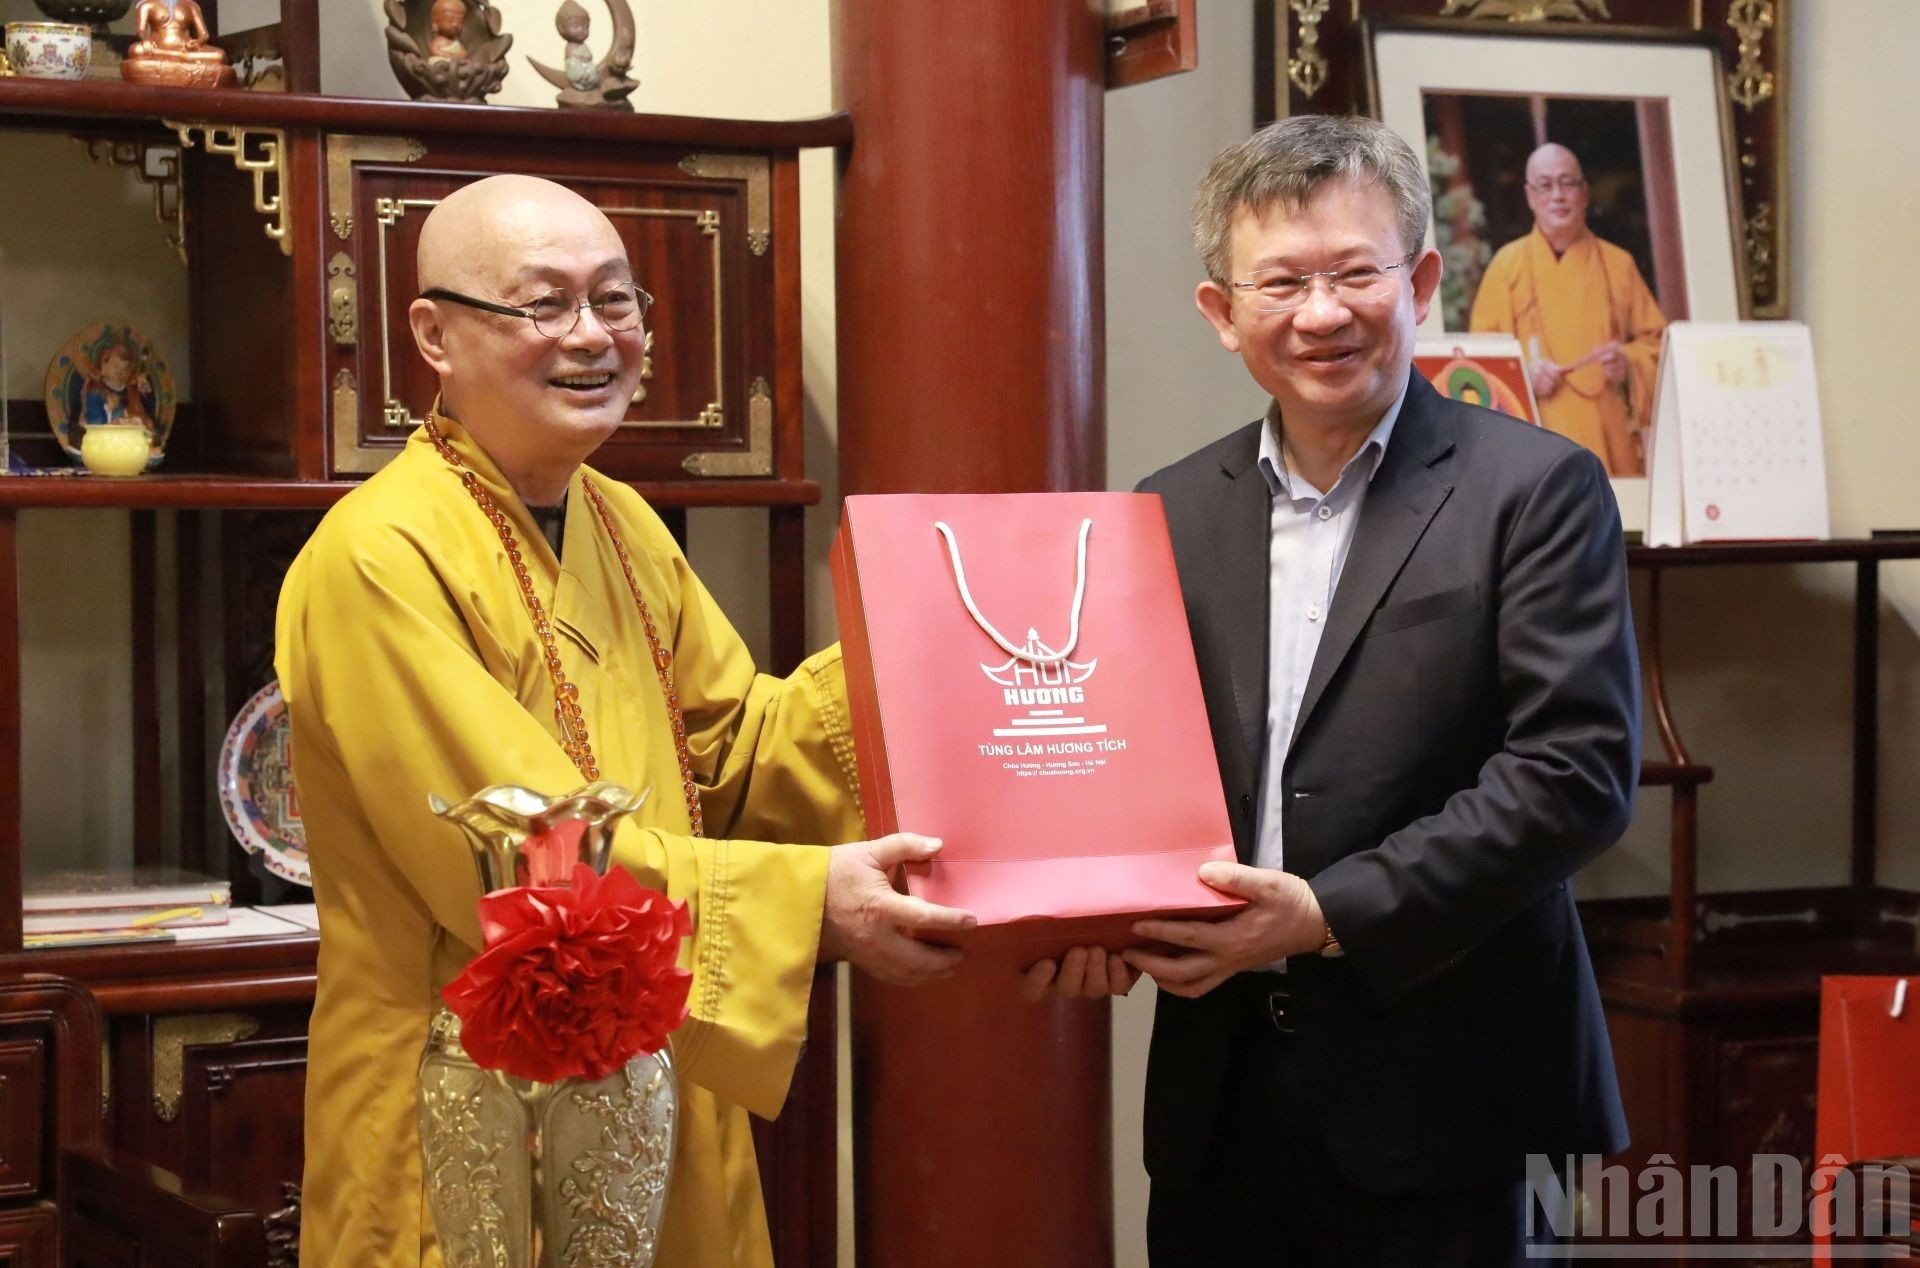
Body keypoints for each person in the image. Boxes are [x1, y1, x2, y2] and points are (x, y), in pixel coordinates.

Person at [275, 174, 975, 1268]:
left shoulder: (618, 517)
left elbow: (735, 755)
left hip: (653, 1074)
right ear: (434, 334)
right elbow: (524, 861)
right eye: (544, 305)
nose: (594, 336)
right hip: (467, 1106)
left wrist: (941, 648)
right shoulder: (380, 556)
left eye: (617, 299)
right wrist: (807, 911)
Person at [1029, 115, 1640, 1265]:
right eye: (1282, 283)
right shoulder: (1164, 509)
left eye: (1357, 272)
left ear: (1417, 280)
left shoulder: (1536, 489)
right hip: (1222, 1104)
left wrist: (1320, 915)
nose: (1323, 313)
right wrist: (1081, 909)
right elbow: (1113, 759)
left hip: (1451, 1099)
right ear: (1223, 313)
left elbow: (1574, 777)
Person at [1469, 142, 1667, 476]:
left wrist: (1629, 362)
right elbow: (1478, 365)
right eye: (1545, 186)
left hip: (1610, 435)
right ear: (1531, 197)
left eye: (1567, 183)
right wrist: (1524, 377)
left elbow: (1659, 348)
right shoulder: (1507, 266)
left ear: (1584, 193)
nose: (1557, 195)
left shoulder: (1618, 264)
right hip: (1535, 435)